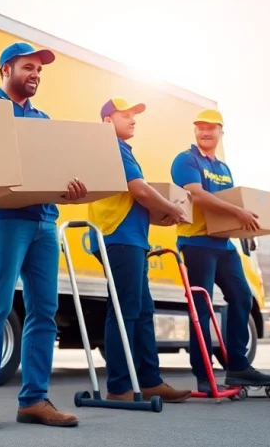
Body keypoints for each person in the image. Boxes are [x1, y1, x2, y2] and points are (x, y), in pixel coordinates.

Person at [0, 42, 86, 430]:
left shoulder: (43, 118)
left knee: (44, 311)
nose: (35, 74)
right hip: (2, 218)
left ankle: (34, 399)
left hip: (44, 220)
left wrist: (69, 188)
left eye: (39, 71)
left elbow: (51, 167)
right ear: (6, 70)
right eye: (28, 67)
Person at [86, 98, 193, 403]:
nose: (133, 120)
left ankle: (149, 381)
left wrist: (163, 212)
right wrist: (171, 207)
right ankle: (119, 387)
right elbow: (140, 190)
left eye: (135, 115)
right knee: (125, 311)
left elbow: (138, 198)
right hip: (119, 237)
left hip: (131, 238)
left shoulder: (122, 149)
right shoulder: (113, 147)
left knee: (143, 311)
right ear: (108, 121)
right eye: (126, 115)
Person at [169, 109, 270, 393]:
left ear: (221, 131)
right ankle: (204, 374)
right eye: (200, 128)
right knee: (202, 308)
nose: (205, 132)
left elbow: (228, 206)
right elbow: (195, 193)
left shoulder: (224, 168)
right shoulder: (186, 159)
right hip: (196, 243)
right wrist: (238, 212)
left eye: (211, 128)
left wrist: (244, 223)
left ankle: (238, 367)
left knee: (242, 296)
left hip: (223, 244)